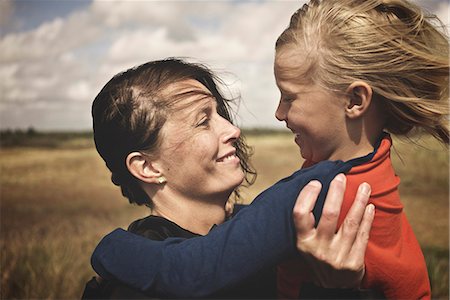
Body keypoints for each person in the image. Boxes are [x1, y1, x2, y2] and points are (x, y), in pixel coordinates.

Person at [84, 58, 375, 299]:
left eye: (220, 114)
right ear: (147, 167)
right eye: (203, 121)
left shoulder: (270, 228)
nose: (232, 130)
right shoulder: (137, 287)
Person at [274, 0, 448, 298]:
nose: (279, 113)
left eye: (289, 97)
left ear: (355, 100)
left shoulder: (335, 195)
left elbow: (198, 272)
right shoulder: (372, 163)